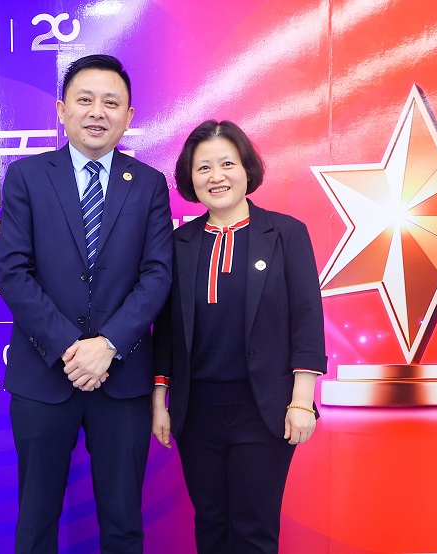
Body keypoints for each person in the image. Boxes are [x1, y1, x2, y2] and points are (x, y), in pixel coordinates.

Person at [0, 54, 173, 554]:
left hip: (122, 380)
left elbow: (158, 275)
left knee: (123, 522)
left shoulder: (149, 184)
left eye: (111, 102)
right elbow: (13, 271)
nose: (98, 112)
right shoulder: (27, 176)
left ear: (128, 116)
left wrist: (108, 345)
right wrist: (72, 348)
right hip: (43, 374)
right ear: (62, 110)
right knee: (36, 521)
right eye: (85, 100)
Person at [151, 120, 327, 553]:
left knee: (253, 529)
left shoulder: (285, 234)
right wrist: (159, 402)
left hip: (264, 410)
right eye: (204, 167)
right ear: (190, 179)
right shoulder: (179, 243)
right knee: (211, 526)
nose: (217, 176)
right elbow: (166, 331)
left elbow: (306, 319)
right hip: (197, 413)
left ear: (247, 168)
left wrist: (301, 402)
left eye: (227, 164)